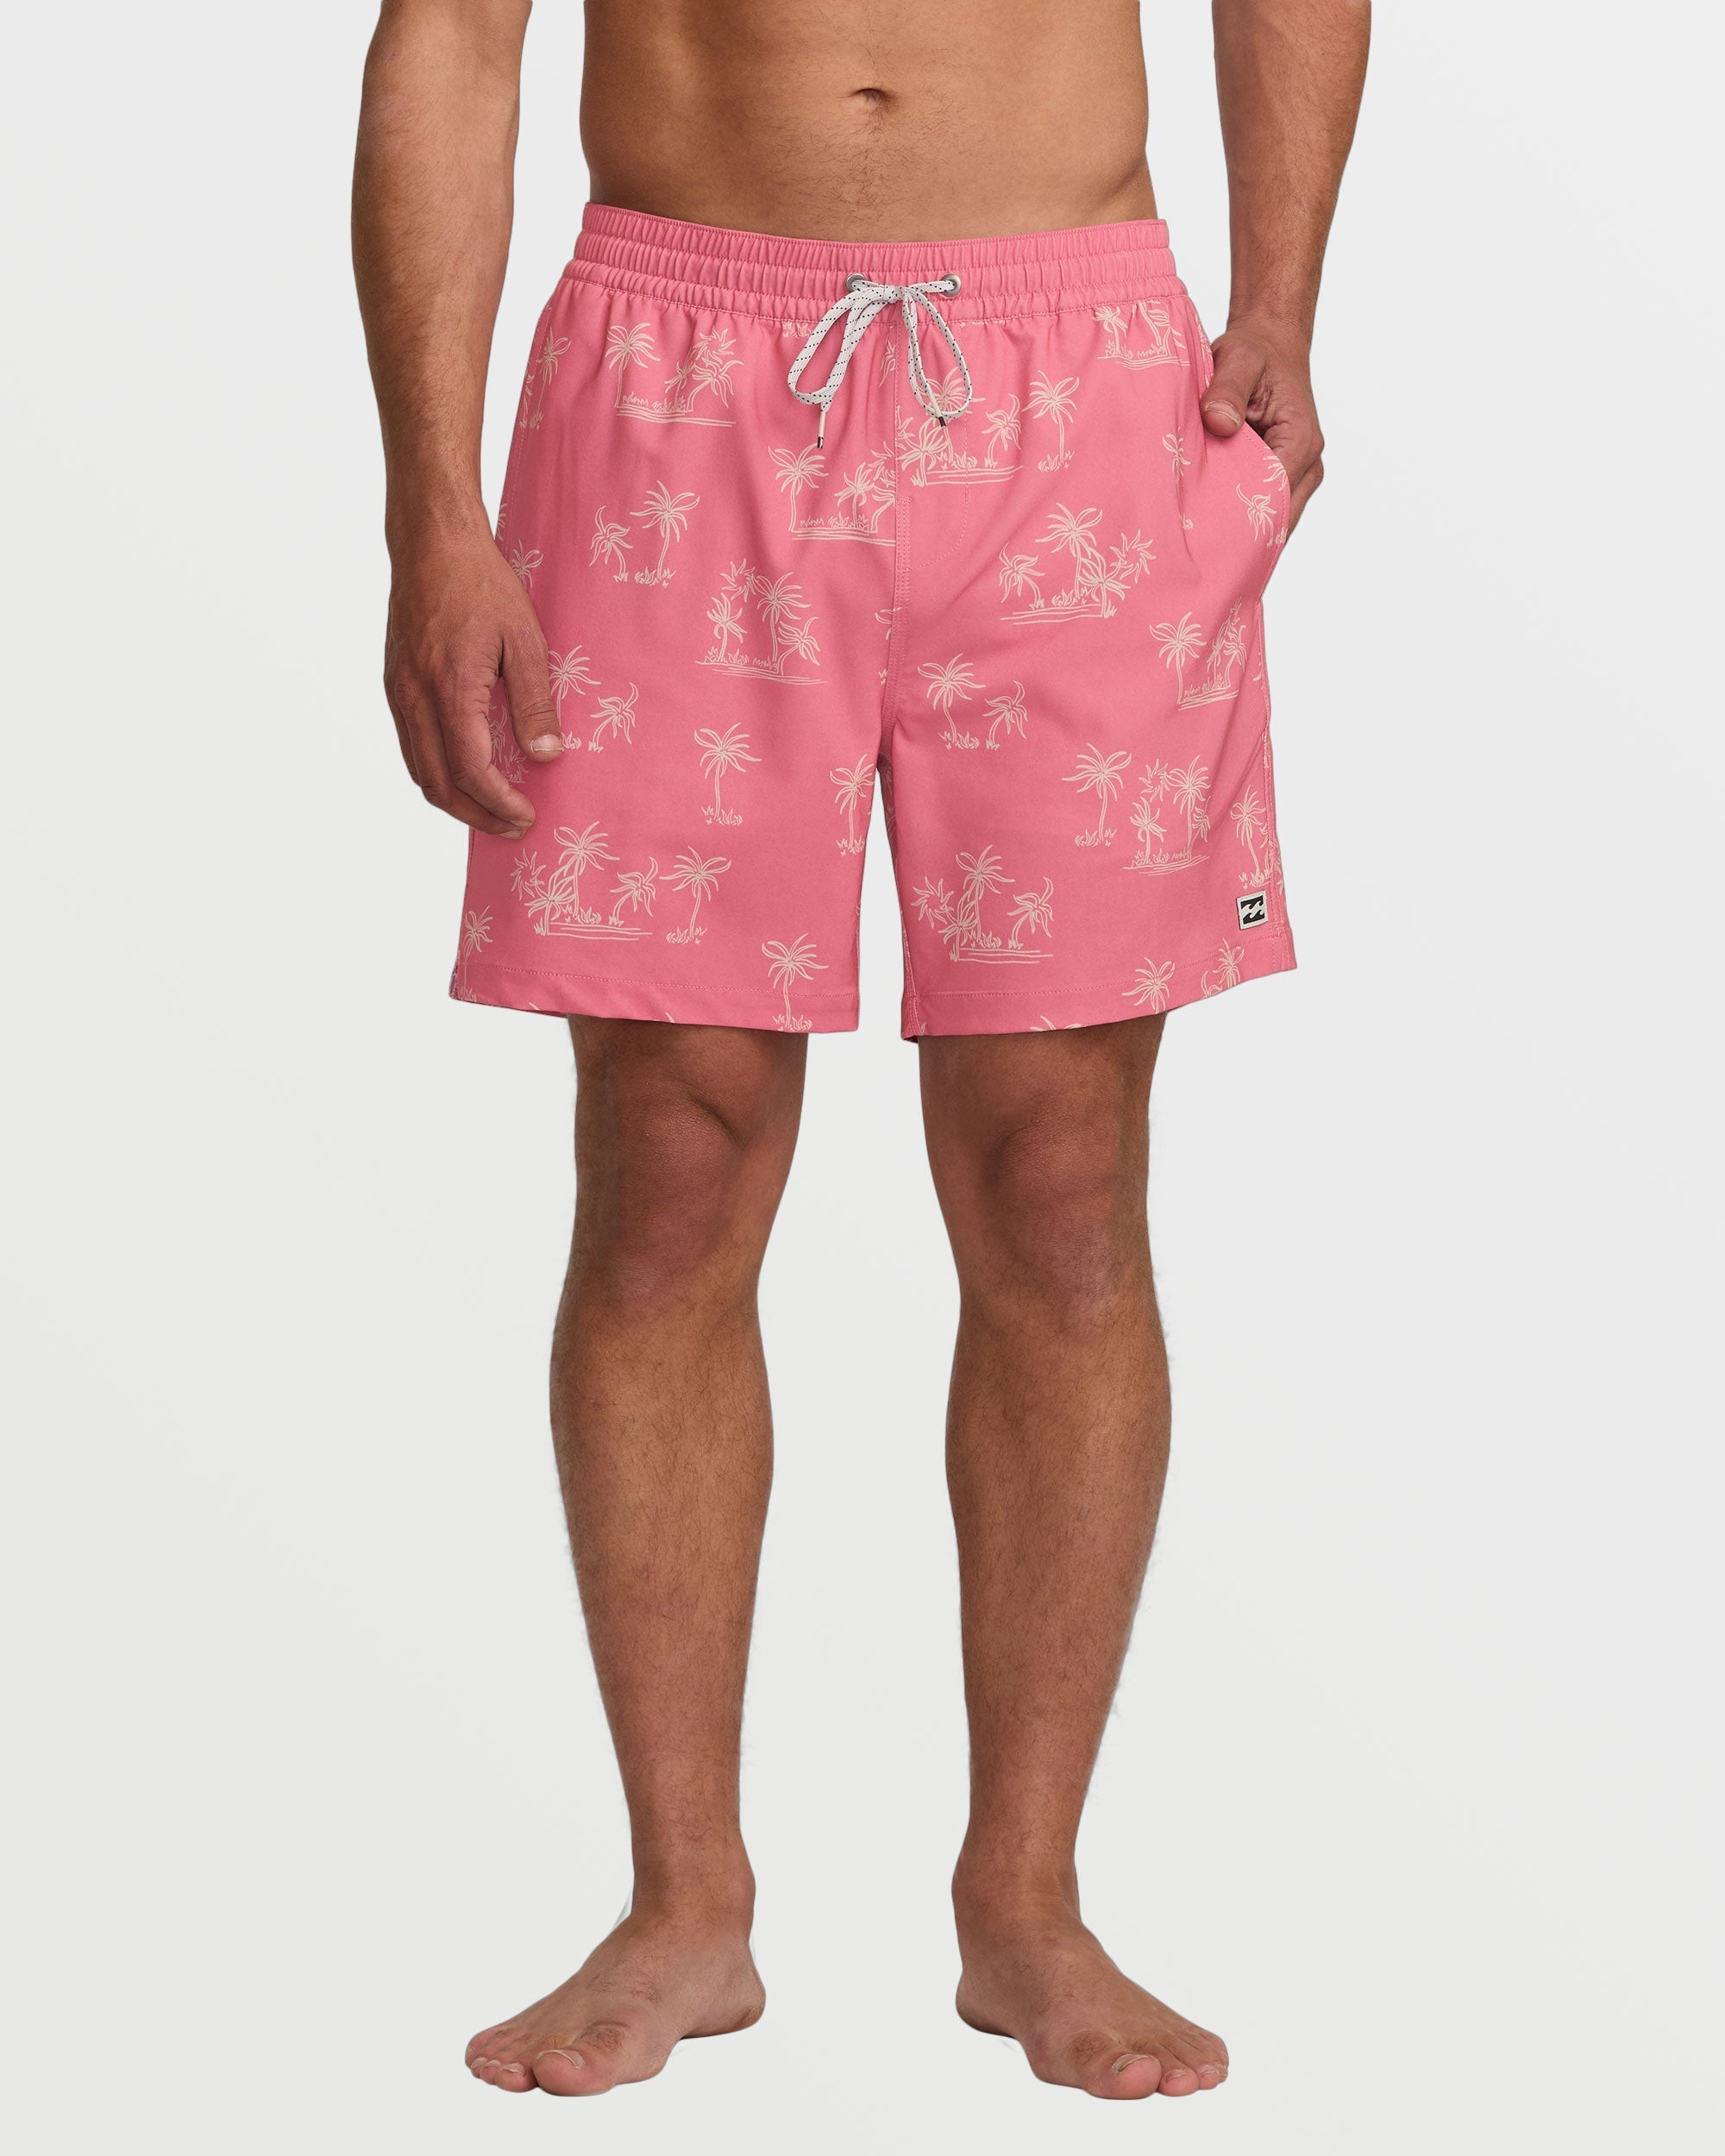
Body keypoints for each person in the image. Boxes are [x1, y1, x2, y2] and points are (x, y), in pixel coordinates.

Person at [352, 0, 1368, 2103]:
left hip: (1078, 379)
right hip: (671, 384)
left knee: (1060, 1169)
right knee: (671, 1156)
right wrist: (428, 509)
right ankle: (684, 1898)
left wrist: (1279, 294)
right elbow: (449, 32)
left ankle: (1027, 1898)